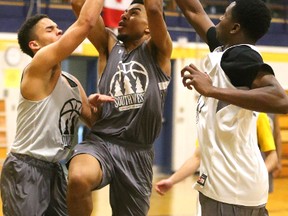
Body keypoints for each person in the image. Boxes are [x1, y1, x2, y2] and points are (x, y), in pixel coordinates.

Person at [0, 0, 115, 215]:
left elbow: (94, 123)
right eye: (50, 29)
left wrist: (97, 107)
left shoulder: (72, 82)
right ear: (35, 45)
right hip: (26, 167)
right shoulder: (37, 66)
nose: (59, 30)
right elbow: (86, 23)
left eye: (57, 27)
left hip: (55, 169)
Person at [175, 0, 288, 215]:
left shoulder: (240, 55)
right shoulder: (223, 52)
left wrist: (212, 90)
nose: (218, 18)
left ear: (235, 28)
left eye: (225, 15)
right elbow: (192, 10)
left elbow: (281, 100)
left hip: (231, 190)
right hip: (233, 187)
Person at [67, 0, 173, 215]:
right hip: (102, 142)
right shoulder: (108, 44)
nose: (124, 16)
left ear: (149, 27)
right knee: (78, 178)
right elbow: (78, 4)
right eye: (124, 12)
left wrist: (150, 9)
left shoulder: (158, 50)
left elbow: (153, 8)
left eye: (133, 13)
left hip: (137, 151)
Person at [155, 112, 278, 195]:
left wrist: (258, 175)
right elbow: (197, 157)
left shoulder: (258, 116)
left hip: (246, 190)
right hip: (215, 190)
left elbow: (272, 157)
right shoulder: (211, 117)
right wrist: (171, 180)